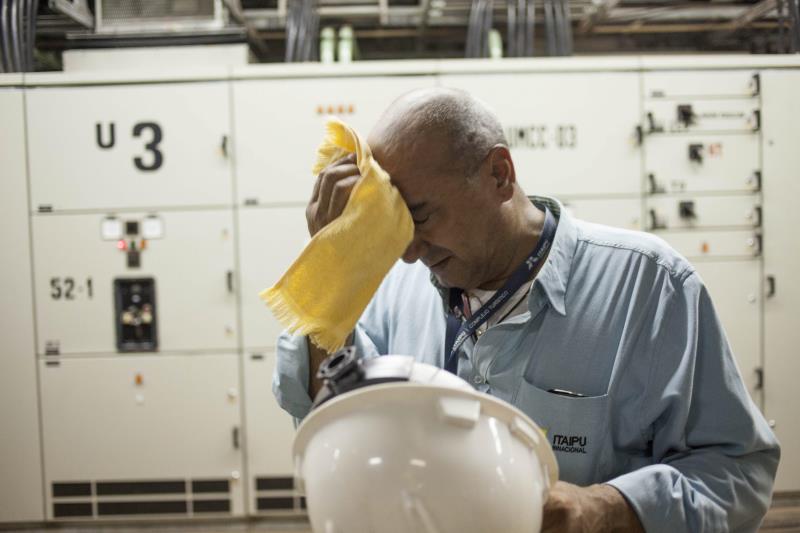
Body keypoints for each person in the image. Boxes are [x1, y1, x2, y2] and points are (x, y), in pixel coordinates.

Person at [273, 87, 780, 532]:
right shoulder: (392, 292)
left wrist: (609, 509)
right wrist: (329, 278)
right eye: (396, 221)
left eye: (420, 216)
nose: (408, 252)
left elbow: (737, 471)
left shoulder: (650, 287)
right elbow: (331, 430)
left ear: (499, 174)